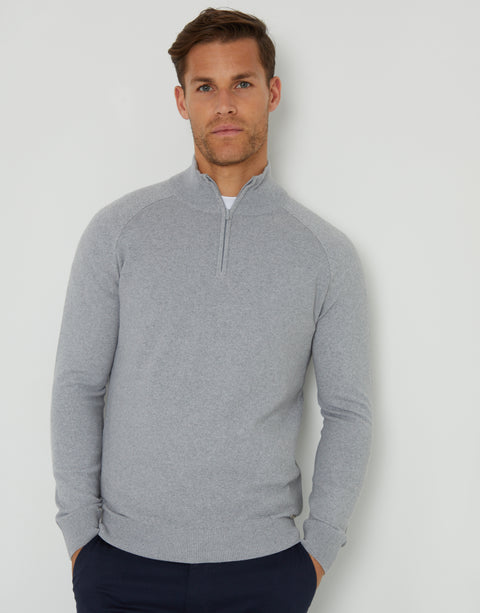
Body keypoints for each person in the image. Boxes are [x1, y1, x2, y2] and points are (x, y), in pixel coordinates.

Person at [50, 7, 373, 613]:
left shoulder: (324, 253)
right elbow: (77, 385)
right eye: (205, 87)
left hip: (266, 571)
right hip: (120, 565)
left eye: (242, 83)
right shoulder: (119, 231)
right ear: (182, 101)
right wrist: (80, 539)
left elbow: (348, 413)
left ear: (272, 93)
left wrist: (319, 548)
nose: (224, 105)